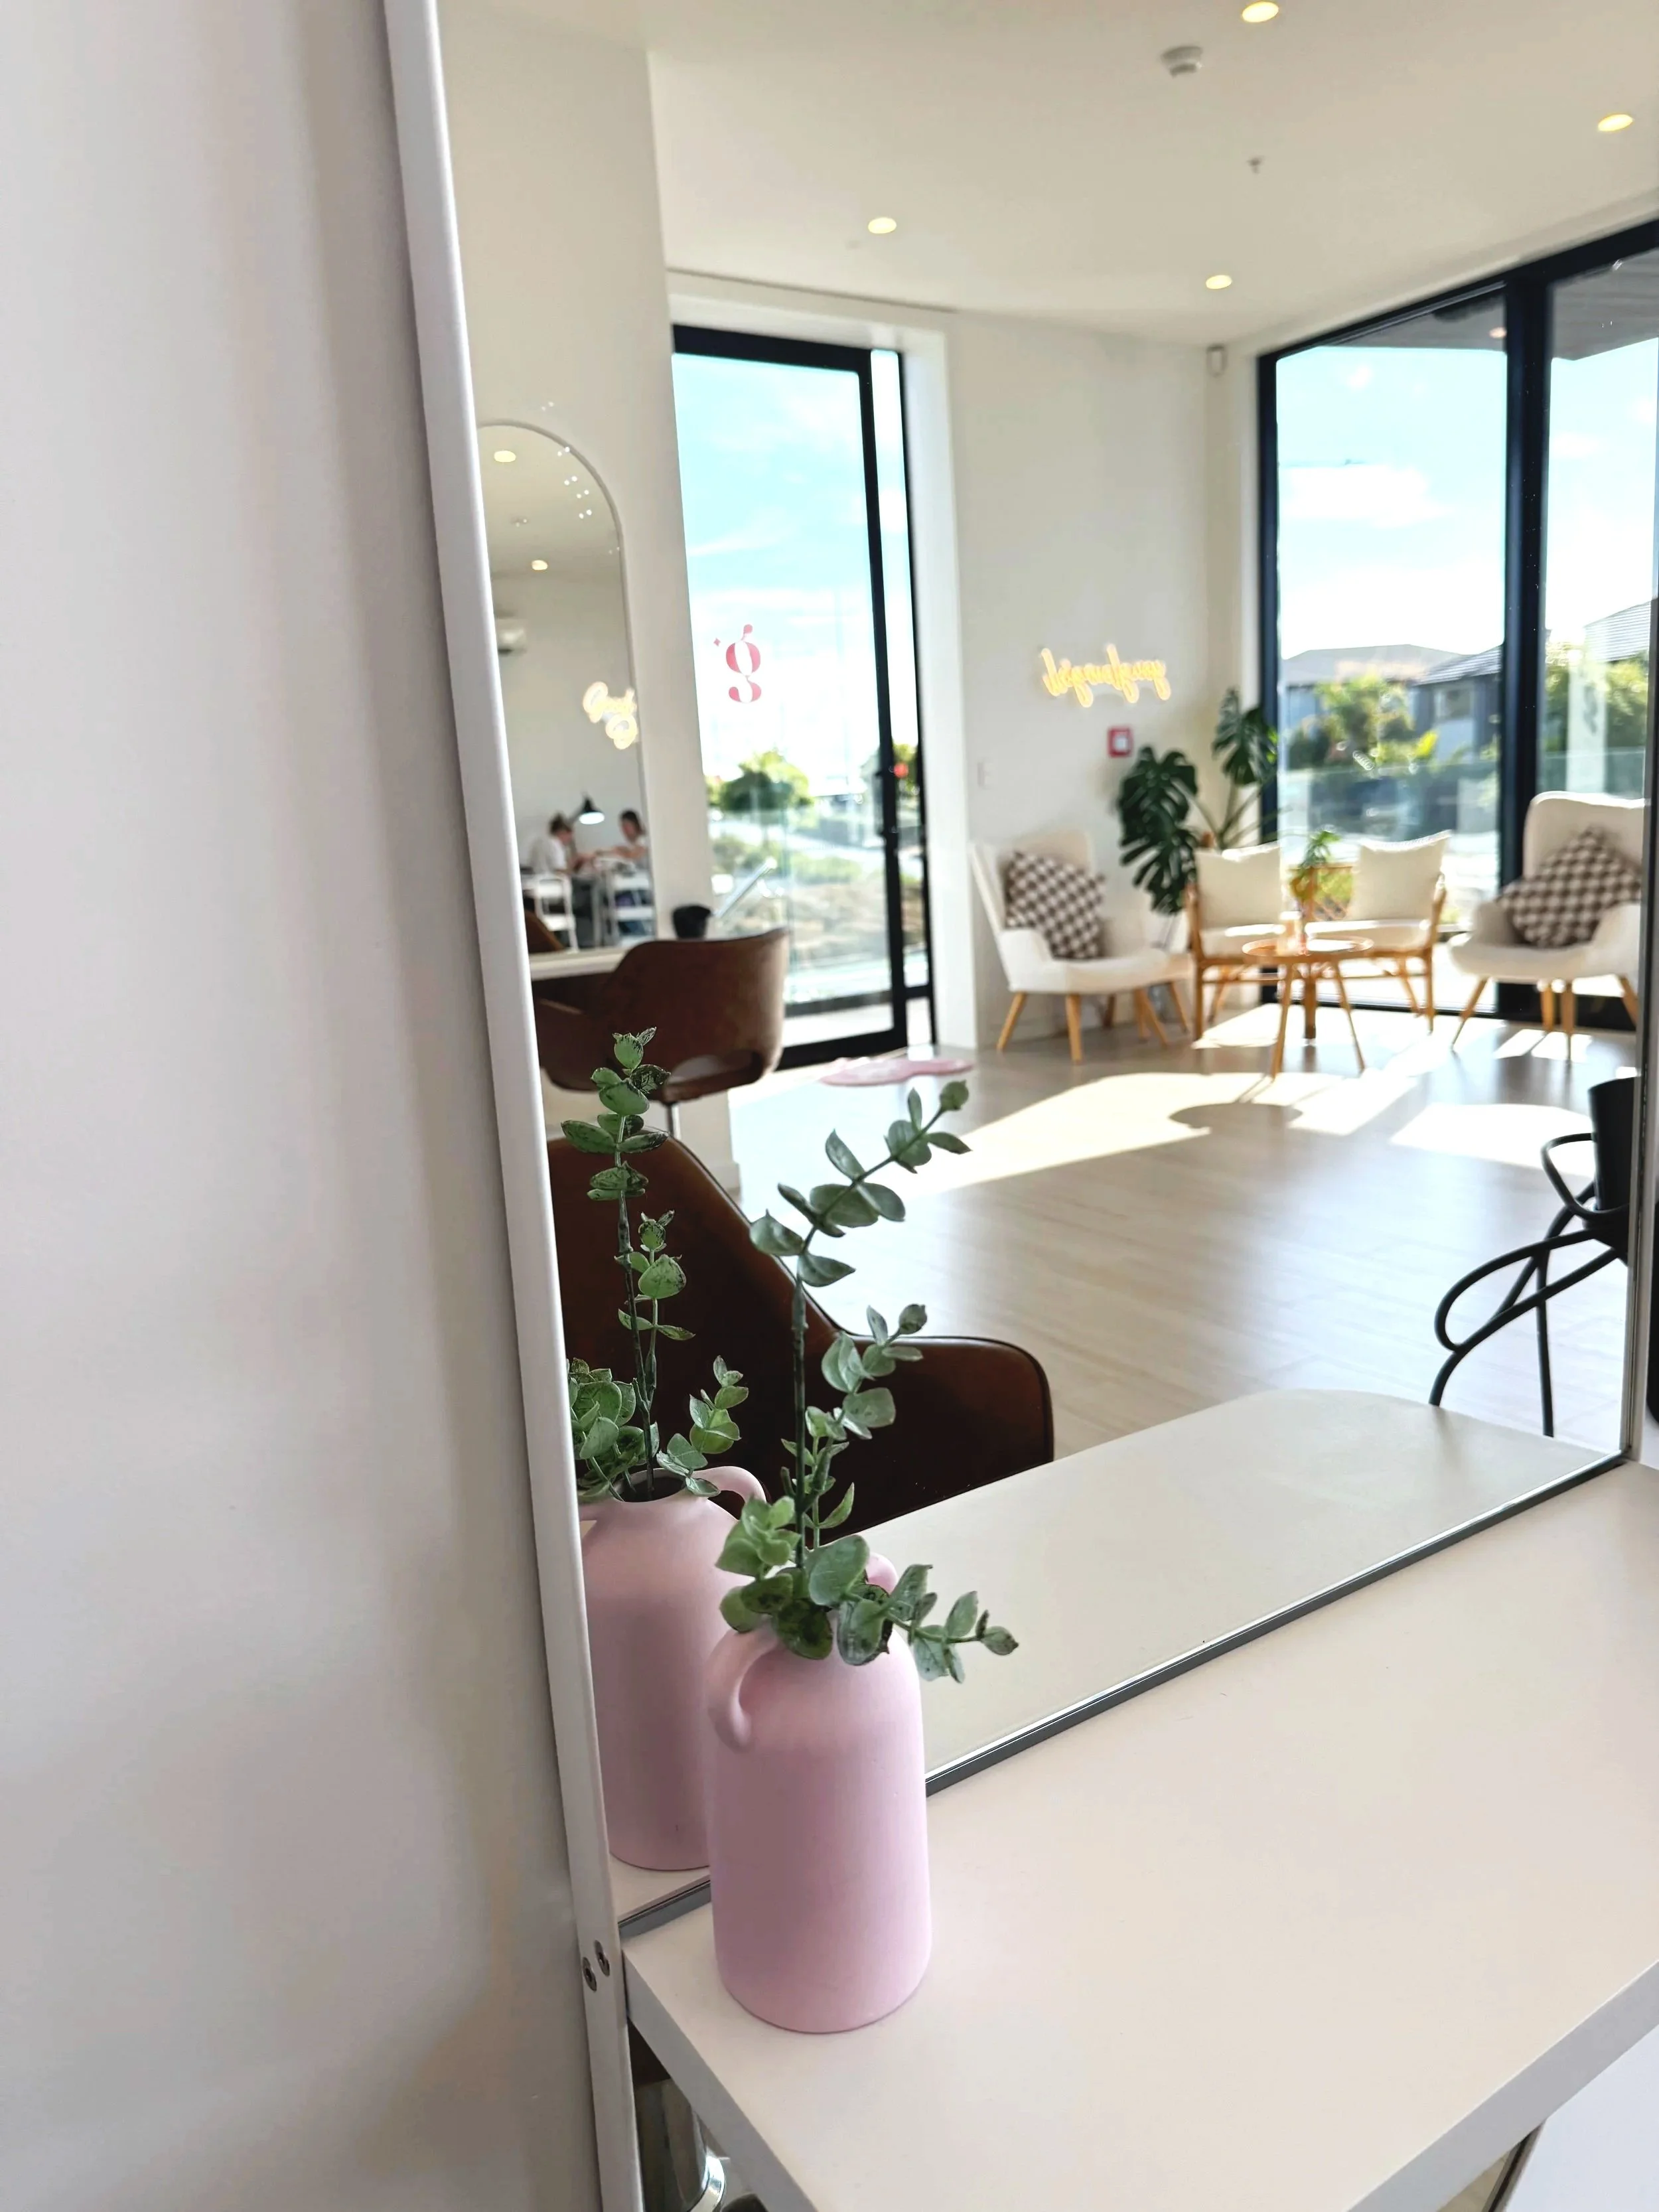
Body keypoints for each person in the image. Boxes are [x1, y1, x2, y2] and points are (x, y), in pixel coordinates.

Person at [525, 812, 577, 877]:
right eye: (569, 838)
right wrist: (576, 862)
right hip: (553, 884)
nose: (568, 841)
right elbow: (560, 871)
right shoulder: (556, 844)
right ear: (562, 832)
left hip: (536, 882)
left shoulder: (538, 842)